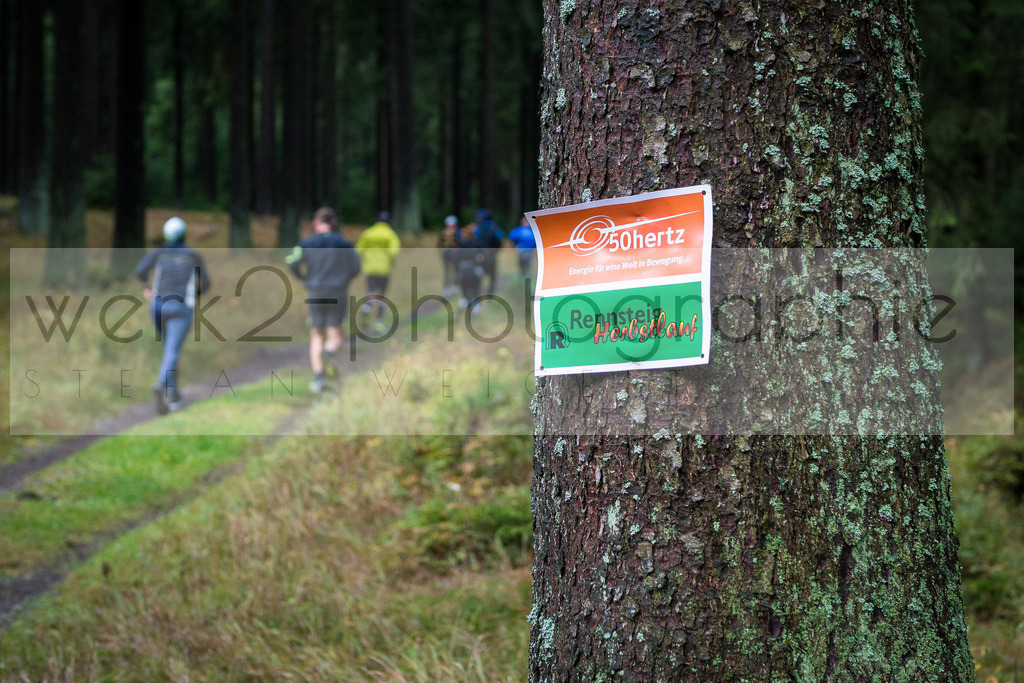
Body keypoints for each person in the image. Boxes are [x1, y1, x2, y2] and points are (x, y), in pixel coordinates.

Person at [135, 216, 211, 415]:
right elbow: (207, 284)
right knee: (172, 350)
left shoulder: (160, 252)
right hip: (180, 308)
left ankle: (174, 395)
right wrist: (194, 296)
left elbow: (140, 270)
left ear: (167, 235)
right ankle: (162, 386)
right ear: (184, 235)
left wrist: (146, 287)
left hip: (158, 306)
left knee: (169, 348)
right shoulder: (193, 256)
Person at [286, 207, 361, 394]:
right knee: (335, 334)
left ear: (315, 223)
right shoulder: (344, 243)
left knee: (316, 334)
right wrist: (343, 280)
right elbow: (357, 267)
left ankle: (318, 378)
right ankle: (329, 352)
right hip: (338, 292)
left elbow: (290, 261)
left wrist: (304, 278)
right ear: (334, 223)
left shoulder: (307, 243)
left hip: (316, 292)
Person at [355, 211, 402, 332]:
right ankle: (379, 321)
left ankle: (366, 308)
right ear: (389, 222)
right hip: (384, 269)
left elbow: (359, 249)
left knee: (370, 291)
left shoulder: (368, 233)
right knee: (382, 295)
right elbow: (394, 252)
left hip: (369, 268)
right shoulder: (390, 234)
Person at [472, 208, 504, 295]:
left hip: (481, 255)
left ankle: (477, 292)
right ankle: (491, 293)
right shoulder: (494, 227)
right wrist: (495, 251)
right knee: (492, 276)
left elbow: (476, 241)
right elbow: (499, 241)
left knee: (479, 274)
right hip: (491, 255)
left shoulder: (479, 228)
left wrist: (478, 253)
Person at [438, 214, 461, 298]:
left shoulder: (458, 233)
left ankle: (453, 288)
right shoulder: (443, 233)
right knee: (447, 271)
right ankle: (446, 289)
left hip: (455, 255)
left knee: (455, 271)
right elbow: (439, 244)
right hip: (447, 255)